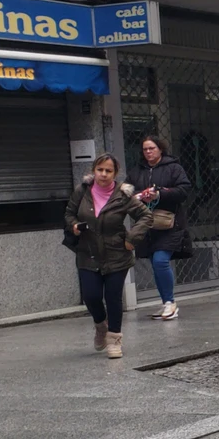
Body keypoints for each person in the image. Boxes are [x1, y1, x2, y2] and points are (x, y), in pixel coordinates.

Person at [65, 153, 152, 359]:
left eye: (108, 171)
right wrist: (74, 226)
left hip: (116, 253)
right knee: (91, 296)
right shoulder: (82, 191)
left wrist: (131, 238)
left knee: (113, 297)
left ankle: (115, 340)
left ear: (115, 173)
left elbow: (146, 216)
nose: (103, 174)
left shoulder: (123, 195)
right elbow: (69, 214)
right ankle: (100, 325)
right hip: (88, 253)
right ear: (94, 170)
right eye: (100, 170)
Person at [127, 136, 192, 321]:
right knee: (156, 263)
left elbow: (184, 190)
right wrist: (139, 196)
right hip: (146, 224)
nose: (148, 152)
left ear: (160, 149)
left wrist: (160, 193)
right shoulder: (136, 171)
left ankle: (170, 303)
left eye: (152, 148)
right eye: (145, 149)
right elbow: (126, 192)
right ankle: (166, 303)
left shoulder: (173, 168)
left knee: (161, 261)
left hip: (170, 223)